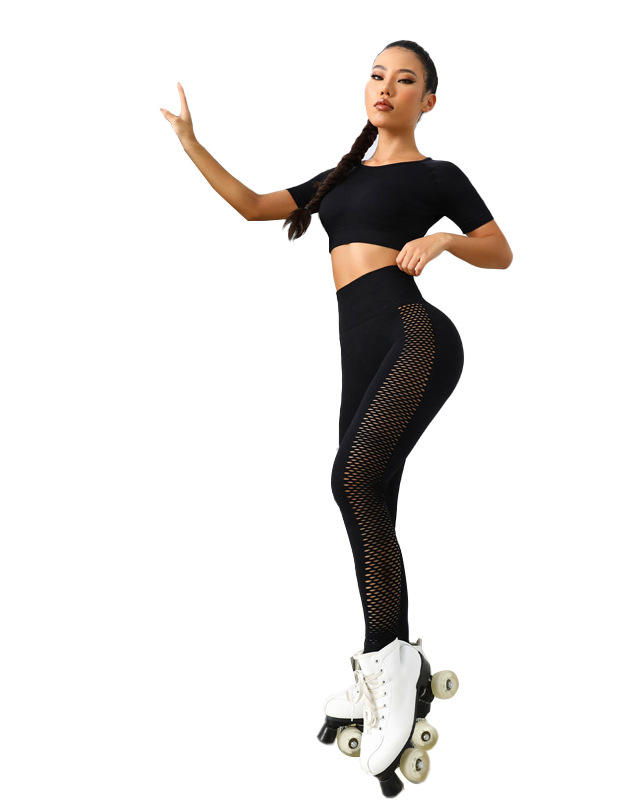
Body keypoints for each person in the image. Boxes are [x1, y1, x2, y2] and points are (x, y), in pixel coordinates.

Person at [161, 39, 512, 794]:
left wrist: (444, 240)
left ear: (428, 101)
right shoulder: (341, 177)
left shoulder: (438, 176)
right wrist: (191, 142)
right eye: (378, 74)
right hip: (364, 354)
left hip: (415, 335)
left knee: (350, 481)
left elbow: (500, 250)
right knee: (367, 495)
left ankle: (390, 661)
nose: (387, 87)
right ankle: (387, 657)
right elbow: (253, 206)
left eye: (405, 80)